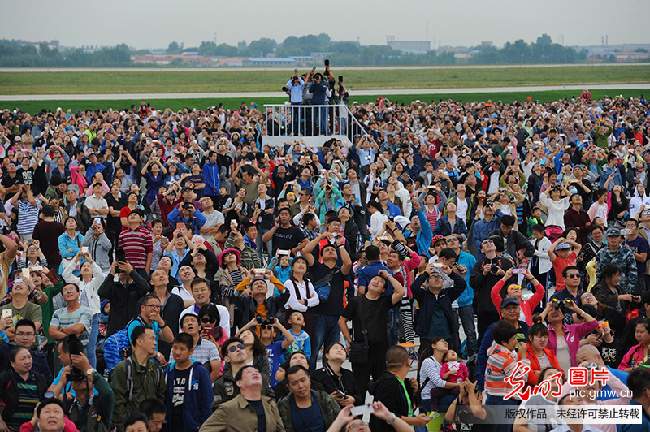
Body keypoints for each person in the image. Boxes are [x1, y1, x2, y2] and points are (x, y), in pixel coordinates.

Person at [339, 271, 405, 396]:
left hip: (381, 351)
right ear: (368, 283)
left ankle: (378, 415)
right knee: (359, 388)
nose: (376, 282)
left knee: (381, 388)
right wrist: (350, 341)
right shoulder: (356, 301)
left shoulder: (384, 301)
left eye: (380, 282)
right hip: (361, 350)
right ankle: (359, 415)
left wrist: (388, 276)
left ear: (383, 290)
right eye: (374, 279)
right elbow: (342, 321)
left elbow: (401, 292)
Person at [302, 232, 352, 370]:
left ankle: (328, 380)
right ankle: (310, 379)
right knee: (314, 351)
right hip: (319, 315)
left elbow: (348, 263)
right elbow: (305, 251)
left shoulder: (339, 271)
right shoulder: (317, 267)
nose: (330, 251)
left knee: (330, 353)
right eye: (326, 250)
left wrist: (340, 245)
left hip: (336, 317)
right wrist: (320, 238)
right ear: (322, 255)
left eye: (332, 250)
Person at [109, 326, 166, 432]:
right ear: (139, 341)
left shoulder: (156, 370)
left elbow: (161, 399)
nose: (155, 343)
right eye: (152, 338)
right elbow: (118, 404)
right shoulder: (123, 368)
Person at [200, 365, 285, 432]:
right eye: (248, 372)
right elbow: (205, 429)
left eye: (257, 372)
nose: (255, 373)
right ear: (238, 383)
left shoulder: (270, 405)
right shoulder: (228, 408)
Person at [369, 345, 430, 431]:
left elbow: (406, 409)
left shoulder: (401, 382)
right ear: (407, 362)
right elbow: (387, 415)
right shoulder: (389, 384)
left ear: (387, 363)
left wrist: (414, 392)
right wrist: (414, 421)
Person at [410, 261, 467, 352]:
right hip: (427, 335)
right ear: (427, 283)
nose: (437, 279)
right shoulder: (423, 296)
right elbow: (414, 287)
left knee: (445, 361)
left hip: (446, 335)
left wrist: (451, 273)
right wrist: (425, 273)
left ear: (442, 282)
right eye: (433, 277)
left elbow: (462, 285)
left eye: (439, 277)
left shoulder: (447, 294)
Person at [485, 320, 530, 432]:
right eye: (514, 338)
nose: (516, 341)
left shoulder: (495, 350)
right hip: (503, 401)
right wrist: (524, 357)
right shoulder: (504, 359)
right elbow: (521, 378)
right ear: (504, 342)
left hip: (495, 398)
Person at [52, 352, 114, 432]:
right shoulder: (67, 406)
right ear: (72, 385)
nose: (82, 379)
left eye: (86, 376)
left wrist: (87, 368)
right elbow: (47, 406)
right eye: (77, 377)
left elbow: (108, 393)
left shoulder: (101, 405)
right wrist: (61, 383)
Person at [164, 333, 212, 432]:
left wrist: (205, 426)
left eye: (182, 349)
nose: (177, 352)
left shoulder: (200, 372)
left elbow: (207, 402)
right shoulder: (167, 372)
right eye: (175, 348)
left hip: (193, 426)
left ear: (191, 351)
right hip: (170, 425)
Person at [470, 237, 515, 342]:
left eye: (491, 242)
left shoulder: (505, 263)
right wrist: (483, 273)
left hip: (502, 307)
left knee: (504, 337)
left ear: (495, 246)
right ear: (482, 250)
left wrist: (503, 274)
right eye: (485, 243)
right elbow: (473, 283)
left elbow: (514, 282)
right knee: (484, 337)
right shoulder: (479, 264)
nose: (488, 244)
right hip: (484, 308)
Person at [211, 337, 273, 409]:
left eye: (241, 347)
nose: (238, 349)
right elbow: (217, 408)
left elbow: (272, 401)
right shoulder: (220, 384)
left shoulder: (261, 378)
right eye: (232, 349)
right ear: (226, 359)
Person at [277, 365, 341, 432]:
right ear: (289, 387)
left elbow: (340, 422)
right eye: (294, 383)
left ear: (309, 379)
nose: (300, 386)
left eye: (303, 380)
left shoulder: (325, 400)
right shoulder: (283, 407)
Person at [0, 347, 48, 432]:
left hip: (33, 429)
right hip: (10, 429)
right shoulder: (5, 378)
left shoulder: (39, 379)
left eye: (29, 357)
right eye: (22, 359)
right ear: (12, 363)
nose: (27, 361)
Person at [97, 260, 149, 336]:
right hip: (115, 330)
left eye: (125, 269)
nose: (123, 272)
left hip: (134, 330)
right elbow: (101, 292)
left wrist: (131, 272)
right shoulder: (114, 286)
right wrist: (111, 274)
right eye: (121, 270)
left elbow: (145, 288)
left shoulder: (137, 287)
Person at [311, 342, 363, 407]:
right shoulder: (316, 376)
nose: (339, 350)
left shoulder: (349, 374)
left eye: (342, 349)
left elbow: (359, 396)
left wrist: (353, 399)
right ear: (327, 355)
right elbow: (313, 400)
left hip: (349, 413)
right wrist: (329, 398)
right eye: (335, 348)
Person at [179, 312, 221, 382]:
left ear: (199, 327)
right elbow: (173, 370)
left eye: (193, 321)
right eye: (186, 321)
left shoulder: (210, 346)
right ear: (182, 329)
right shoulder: (176, 348)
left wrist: (203, 386)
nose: (190, 323)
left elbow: (215, 372)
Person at [118, 209, 153, 279]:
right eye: (130, 215)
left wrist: (147, 268)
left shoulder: (146, 233)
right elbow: (120, 252)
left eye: (135, 215)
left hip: (141, 268)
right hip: (126, 268)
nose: (132, 216)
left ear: (141, 219)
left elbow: (149, 251)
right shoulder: (122, 234)